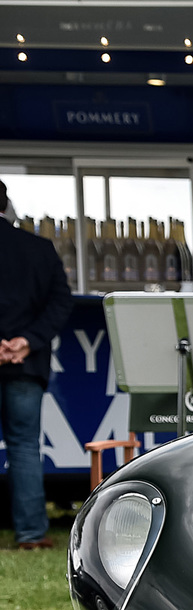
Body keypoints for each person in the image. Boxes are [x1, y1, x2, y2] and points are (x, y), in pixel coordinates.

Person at [0, 179, 73, 550]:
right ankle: (29, 533)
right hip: (25, 365)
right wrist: (26, 341)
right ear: (6, 204)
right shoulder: (39, 249)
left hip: (19, 359)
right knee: (25, 446)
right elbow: (61, 302)